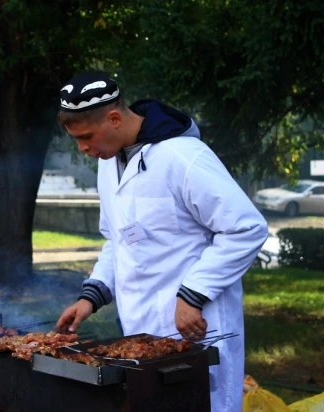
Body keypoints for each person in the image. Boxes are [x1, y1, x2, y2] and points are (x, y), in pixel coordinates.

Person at [55, 72, 268, 411]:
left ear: (113, 118)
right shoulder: (108, 164)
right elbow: (118, 240)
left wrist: (194, 292)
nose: (82, 149)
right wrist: (92, 296)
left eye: (86, 137)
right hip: (140, 329)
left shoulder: (183, 156)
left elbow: (246, 228)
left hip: (197, 325)